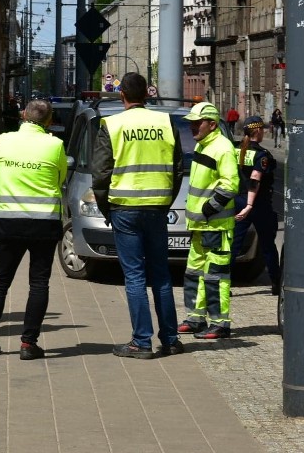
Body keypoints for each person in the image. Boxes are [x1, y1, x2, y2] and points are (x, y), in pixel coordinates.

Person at [92, 72, 185, 359]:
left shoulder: (112, 124)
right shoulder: (165, 122)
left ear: (122, 96)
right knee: (162, 275)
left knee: (134, 276)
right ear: (147, 94)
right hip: (157, 208)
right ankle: (170, 339)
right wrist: (166, 201)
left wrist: (106, 208)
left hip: (124, 209)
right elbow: (178, 169)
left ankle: (142, 343)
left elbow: (100, 173)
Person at [0, 99, 67, 360]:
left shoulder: (4, 141)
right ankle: (28, 344)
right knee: (38, 284)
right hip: (44, 224)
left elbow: (0, 166)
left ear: (23, 115)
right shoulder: (55, 145)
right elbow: (61, 177)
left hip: (10, 221)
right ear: (49, 121)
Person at [179, 102, 239, 339]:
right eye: (191, 123)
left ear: (212, 124)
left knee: (215, 276)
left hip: (216, 225)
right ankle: (195, 319)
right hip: (201, 225)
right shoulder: (204, 146)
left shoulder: (221, 148)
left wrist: (208, 209)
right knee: (194, 272)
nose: (193, 127)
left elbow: (230, 184)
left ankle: (220, 323)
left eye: (197, 123)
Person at [232, 116, 280, 295]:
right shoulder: (262, 155)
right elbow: (255, 179)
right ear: (258, 131)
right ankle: (276, 282)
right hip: (257, 204)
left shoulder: (236, 149)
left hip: (238, 200)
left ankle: (224, 282)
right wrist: (250, 205)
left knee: (233, 244)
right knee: (267, 244)